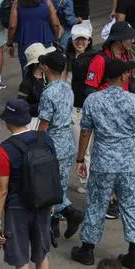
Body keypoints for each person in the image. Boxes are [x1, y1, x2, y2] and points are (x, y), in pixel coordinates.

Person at [72, 59, 135, 269]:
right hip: (128, 162)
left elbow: (85, 132)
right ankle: (134, 253)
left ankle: (87, 250)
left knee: (97, 203)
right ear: (122, 77)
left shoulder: (93, 100)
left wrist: (80, 158)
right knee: (131, 205)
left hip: (103, 161)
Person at [0, 98, 56, 269]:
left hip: (17, 207)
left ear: (8, 122)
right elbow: (52, 171)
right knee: (42, 256)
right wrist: (52, 202)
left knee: (21, 262)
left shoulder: (5, 149)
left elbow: (2, 189)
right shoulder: (45, 138)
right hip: (43, 202)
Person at [37, 50, 83, 245]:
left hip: (53, 143)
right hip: (67, 142)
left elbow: (44, 123)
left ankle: (69, 212)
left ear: (46, 68)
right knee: (61, 184)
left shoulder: (49, 93)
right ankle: (54, 225)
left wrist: (37, 144)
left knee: (49, 187)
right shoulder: (67, 88)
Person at [8, 0, 62, 74]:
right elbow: (55, 24)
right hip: (45, 41)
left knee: (27, 71)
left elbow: (12, 26)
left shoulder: (17, 3)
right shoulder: (47, 1)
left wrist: (10, 43)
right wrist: (56, 38)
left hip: (25, 42)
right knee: (45, 70)